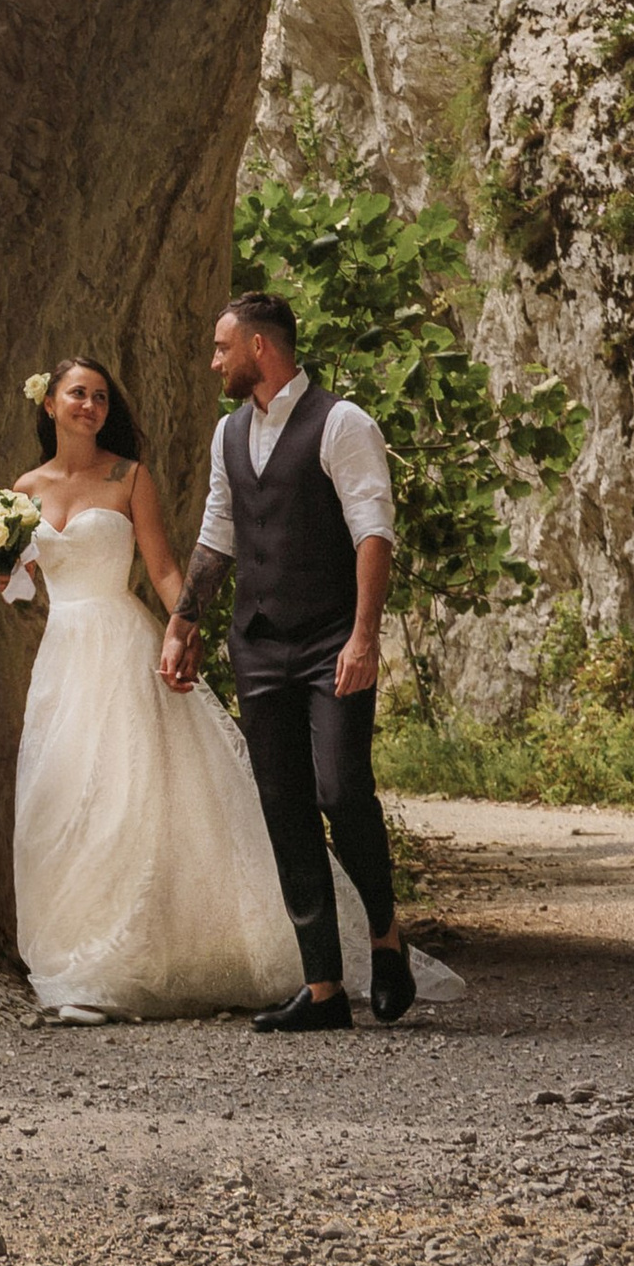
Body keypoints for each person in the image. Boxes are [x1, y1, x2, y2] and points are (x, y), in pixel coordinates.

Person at [2, 358, 351, 1021]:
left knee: (123, 798)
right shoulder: (23, 488)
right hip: (63, 655)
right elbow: (23, 580)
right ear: (48, 404)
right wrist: (3, 571)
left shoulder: (129, 477)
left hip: (121, 643)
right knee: (61, 798)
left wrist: (183, 630)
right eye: (79, 394)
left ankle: (118, 964)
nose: (91, 406)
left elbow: (163, 567)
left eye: (101, 397)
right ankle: (75, 960)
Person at [158, 289, 417, 1032]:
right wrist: (184, 623)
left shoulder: (343, 423)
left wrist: (364, 637)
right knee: (285, 809)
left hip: (333, 639)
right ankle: (325, 989)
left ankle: (385, 935)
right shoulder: (228, 433)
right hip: (259, 644)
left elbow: (373, 533)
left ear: (259, 349)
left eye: (221, 348)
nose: (214, 361)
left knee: (342, 791)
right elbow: (218, 532)